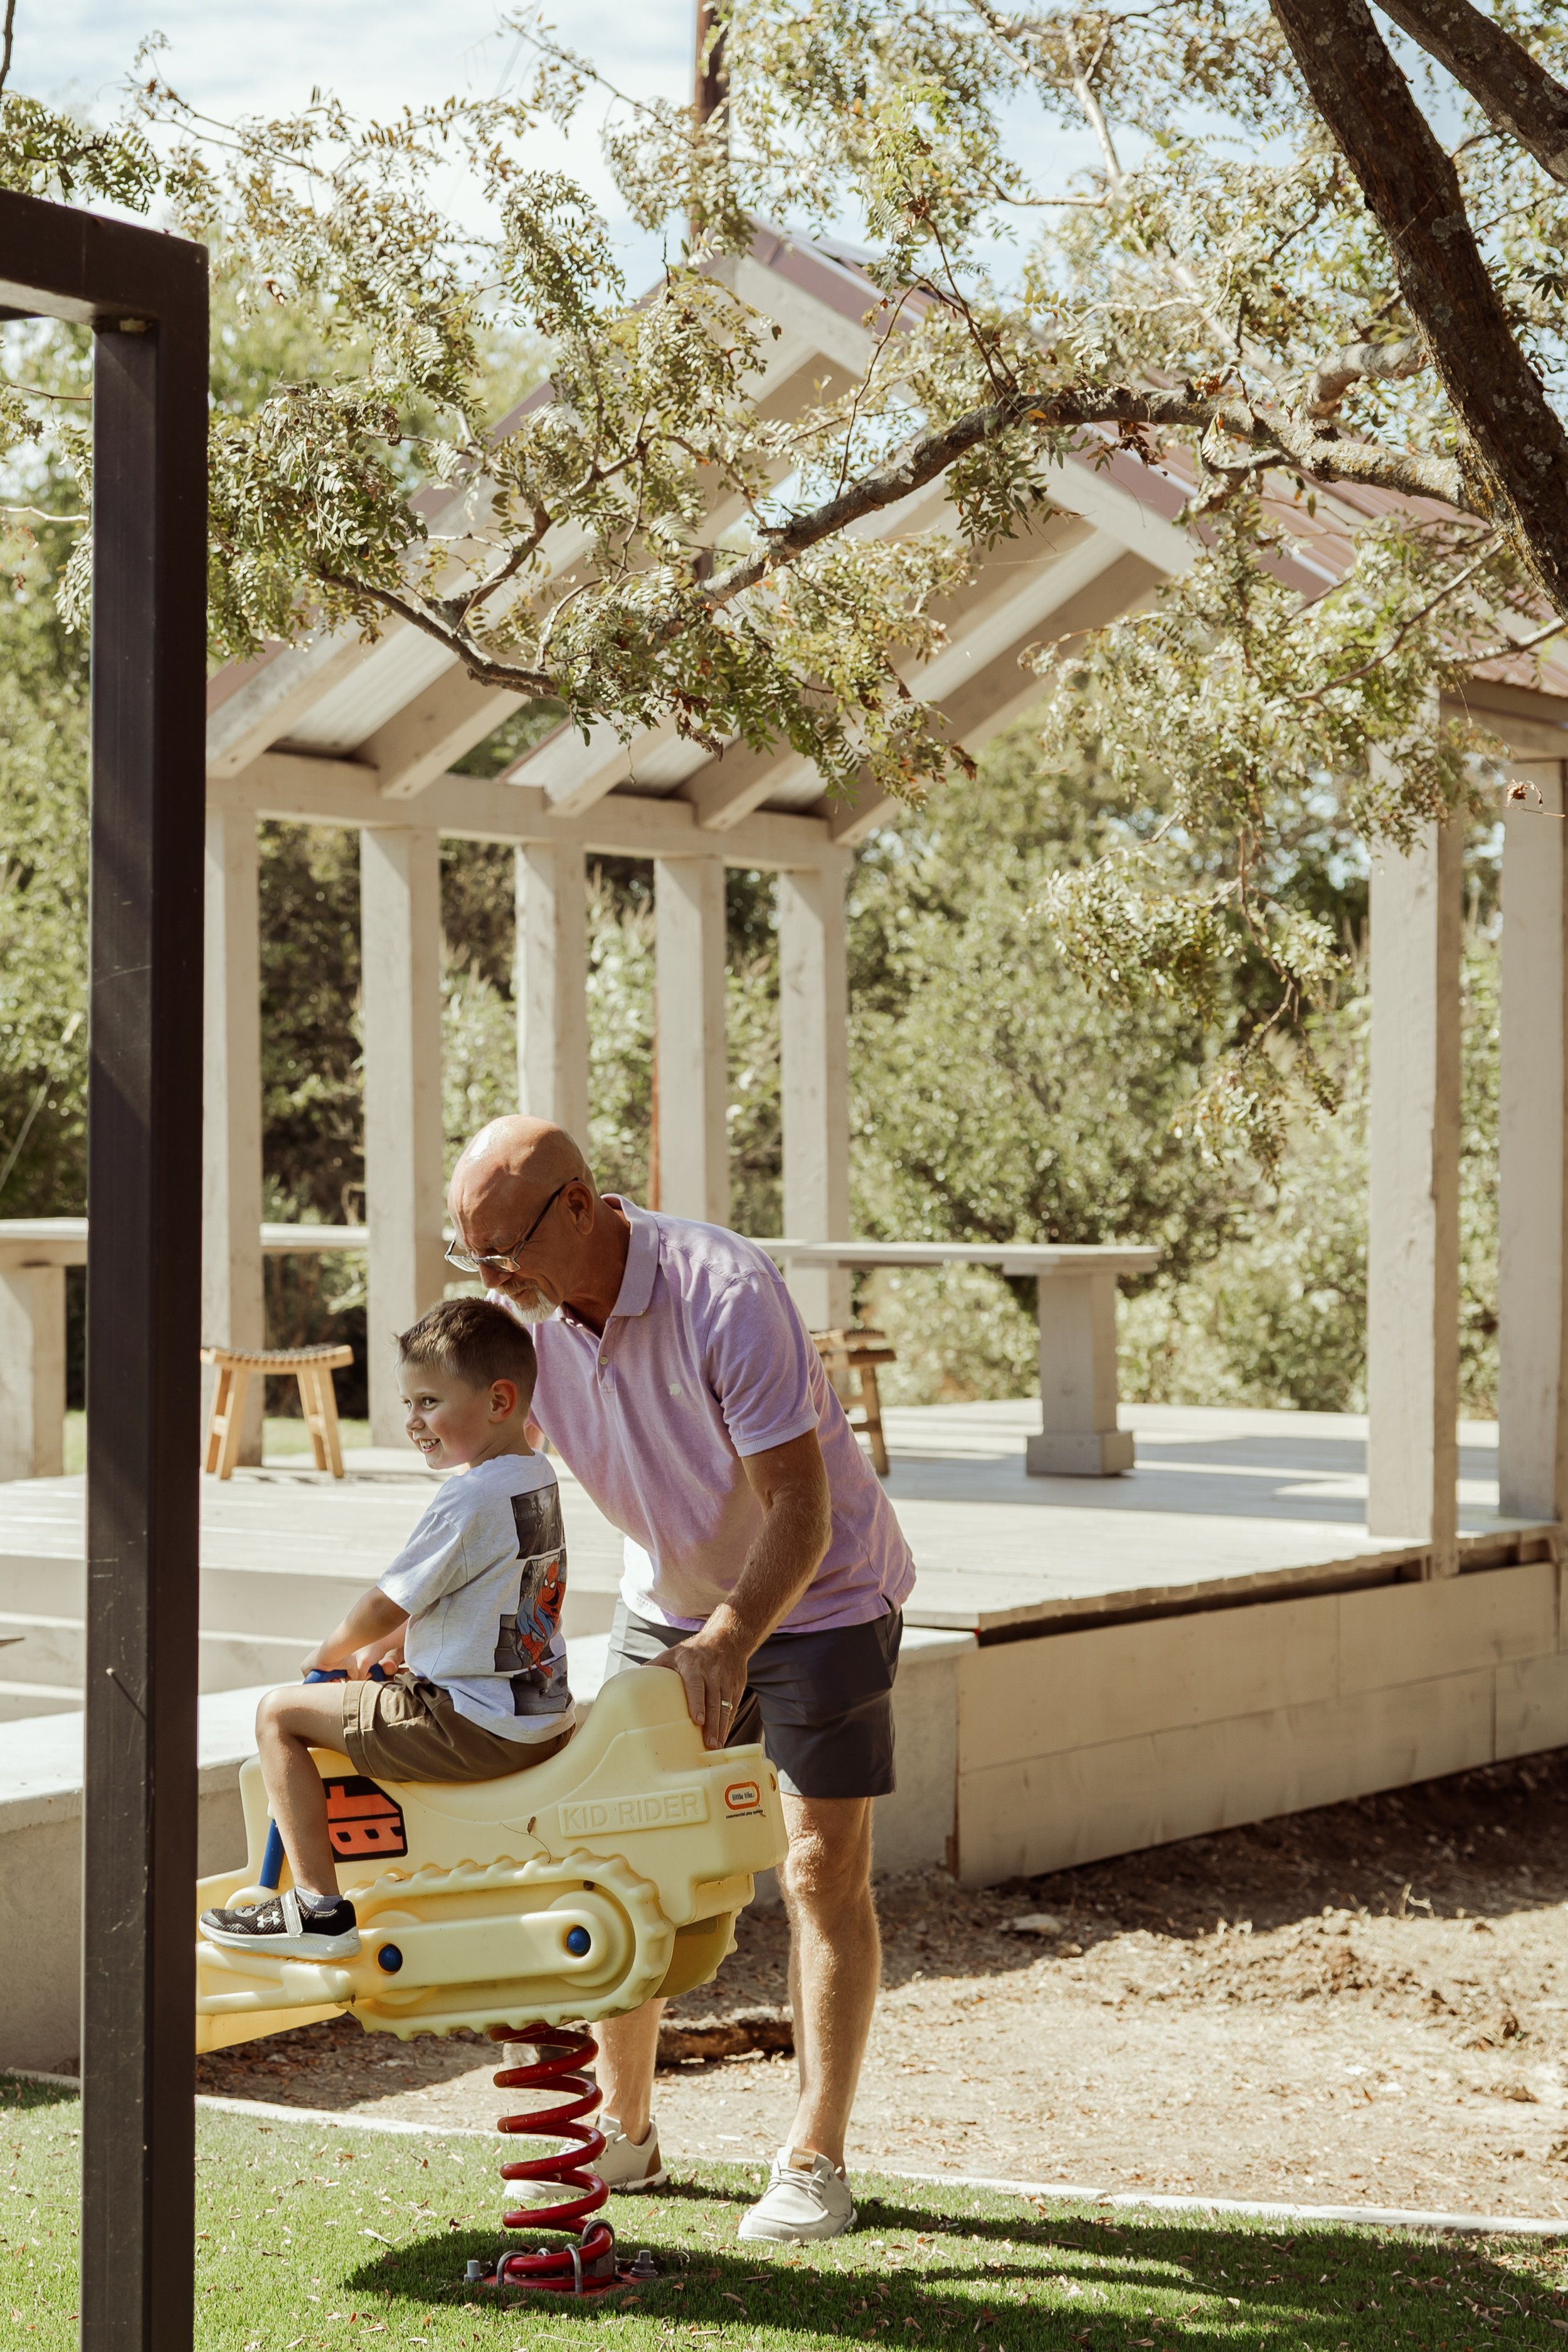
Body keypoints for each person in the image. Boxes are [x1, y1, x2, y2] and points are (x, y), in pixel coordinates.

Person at [445, 1115, 915, 2244]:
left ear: (578, 1204)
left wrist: (731, 1640)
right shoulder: (528, 1322)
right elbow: (502, 1495)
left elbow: (799, 1510)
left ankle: (814, 2157)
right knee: (622, 1862)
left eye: (503, 1248)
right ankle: (627, 2128)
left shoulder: (722, 1291)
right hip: (667, 1601)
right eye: (472, 1258)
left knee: (816, 1869)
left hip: (823, 1594)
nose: (493, 1279)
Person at [199, 1297, 574, 1962]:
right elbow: (486, 1597)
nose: (412, 1422)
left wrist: (330, 1651)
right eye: (408, 1405)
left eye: (428, 1402)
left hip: (469, 1725)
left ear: (498, 1401)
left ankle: (317, 1909)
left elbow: (386, 1604)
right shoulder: (533, 1479)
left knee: (278, 1714)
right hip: (533, 1717)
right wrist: (387, 1653)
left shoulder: (468, 1496)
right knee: (354, 1688)